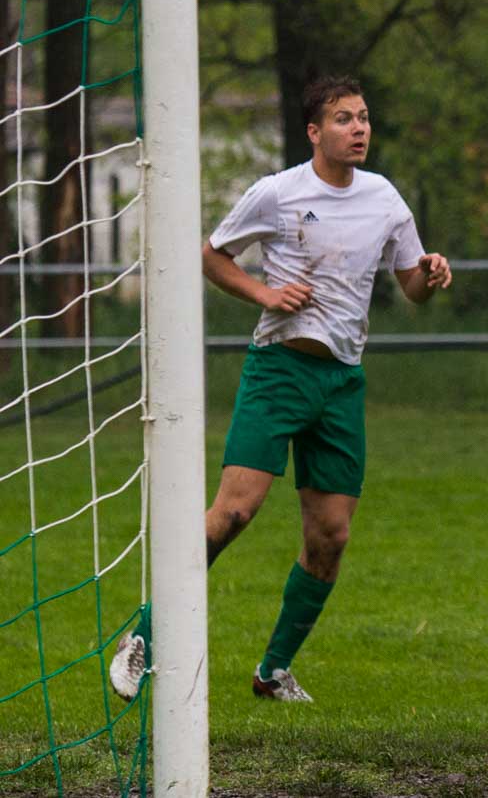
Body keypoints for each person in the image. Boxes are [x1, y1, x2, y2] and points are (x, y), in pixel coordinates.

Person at [108, 75, 452, 703]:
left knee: (331, 537)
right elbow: (212, 256)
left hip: (342, 383)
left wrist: (430, 273)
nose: (359, 128)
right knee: (234, 512)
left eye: (364, 117)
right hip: (278, 371)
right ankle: (143, 638)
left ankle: (273, 672)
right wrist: (265, 294)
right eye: (344, 119)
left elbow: (412, 286)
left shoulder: (384, 198)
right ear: (314, 132)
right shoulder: (278, 192)